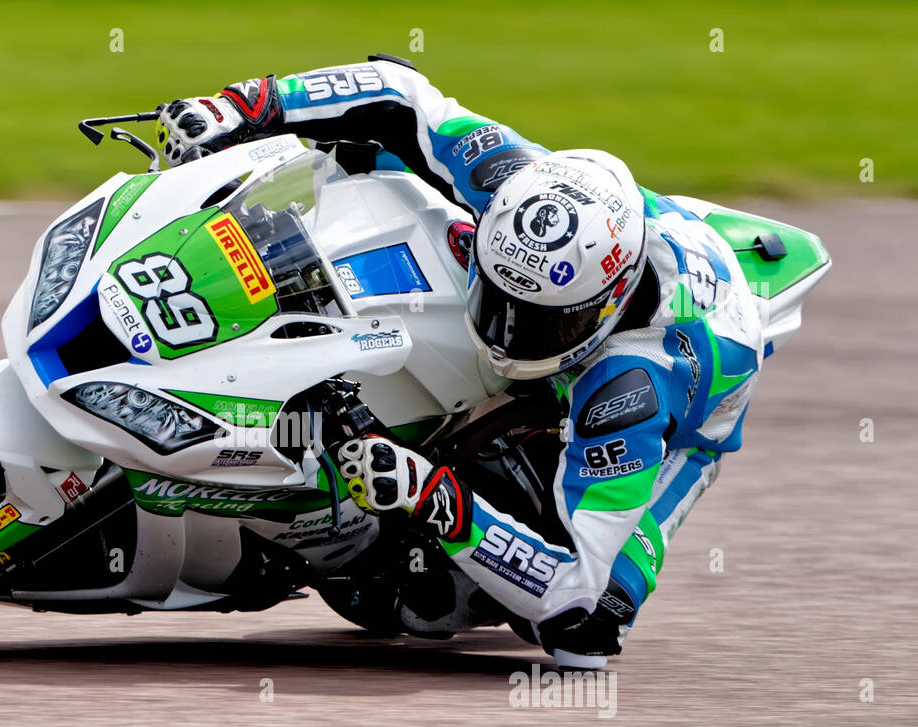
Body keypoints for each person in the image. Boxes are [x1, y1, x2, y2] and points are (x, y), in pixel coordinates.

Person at [158, 57, 766, 668]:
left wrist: (436, 499)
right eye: (499, 300)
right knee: (368, 149)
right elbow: (401, 91)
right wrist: (241, 107)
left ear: (606, 304)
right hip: (611, 238)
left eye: (541, 323)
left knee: (588, 627)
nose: (507, 337)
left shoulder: (632, 389)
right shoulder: (514, 180)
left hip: (692, 408)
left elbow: (574, 595)